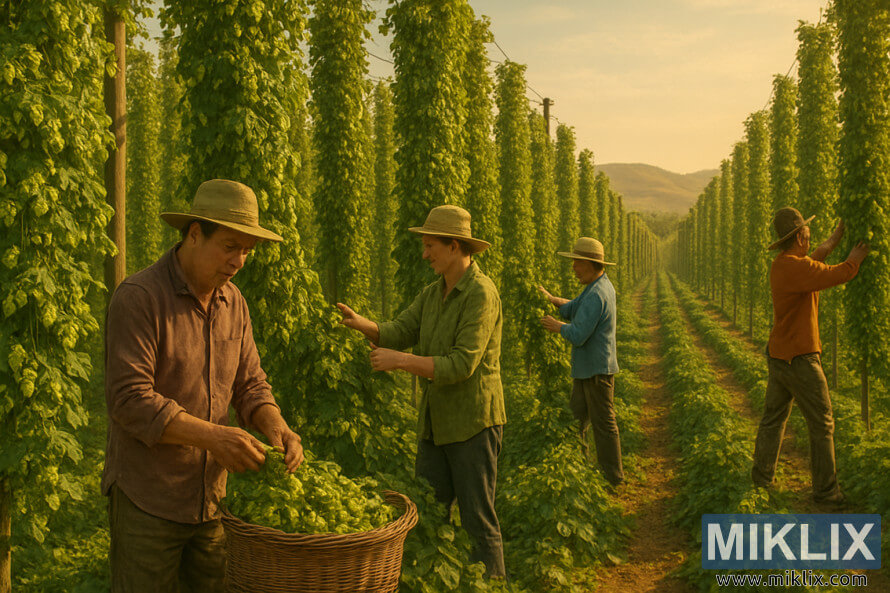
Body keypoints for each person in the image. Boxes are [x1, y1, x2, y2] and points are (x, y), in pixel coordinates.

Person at [102, 179, 305, 592]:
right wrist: (214, 437)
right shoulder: (140, 297)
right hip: (149, 501)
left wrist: (276, 426)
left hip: (210, 502)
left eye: (247, 250)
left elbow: (251, 385)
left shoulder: (234, 303)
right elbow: (129, 399)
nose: (239, 261)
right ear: (194, 234)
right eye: (230, 246)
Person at [336, 205, 507, 578]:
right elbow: (400, 330)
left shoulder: (481, 294)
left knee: (478, 521)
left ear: (455, 246)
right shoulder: (433, 293)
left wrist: (401, 361)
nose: (425, 253)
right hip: (435, 424)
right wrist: (361, 324)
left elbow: (462, 364)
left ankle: (493, 585)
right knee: (429, 512)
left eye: (431, 246)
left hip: (473, 424)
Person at [752, 207, 869, 505]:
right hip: (800, 359)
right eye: (807, 230)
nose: (809, 234)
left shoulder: (785, 264)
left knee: (773, 419)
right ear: (800, 236)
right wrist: (855, 259)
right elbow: (837, 273)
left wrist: (836, 237)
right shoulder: (797, 268)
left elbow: (816, 259)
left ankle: (761, 480)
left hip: (779, 355)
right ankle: (827, 492)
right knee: (822, 422)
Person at [539, 236, 623, 487]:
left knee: (604, 426)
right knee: (576, 420)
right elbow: (575, 306)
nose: (573, 267)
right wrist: (553, 299)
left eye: (577, 262)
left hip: (597, 373)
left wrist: (557, 327)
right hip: (588, 371)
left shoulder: (598, 294)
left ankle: (613, 479)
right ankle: (579, 471)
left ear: (590, 263)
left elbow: (578, 334)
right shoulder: (595, 288)